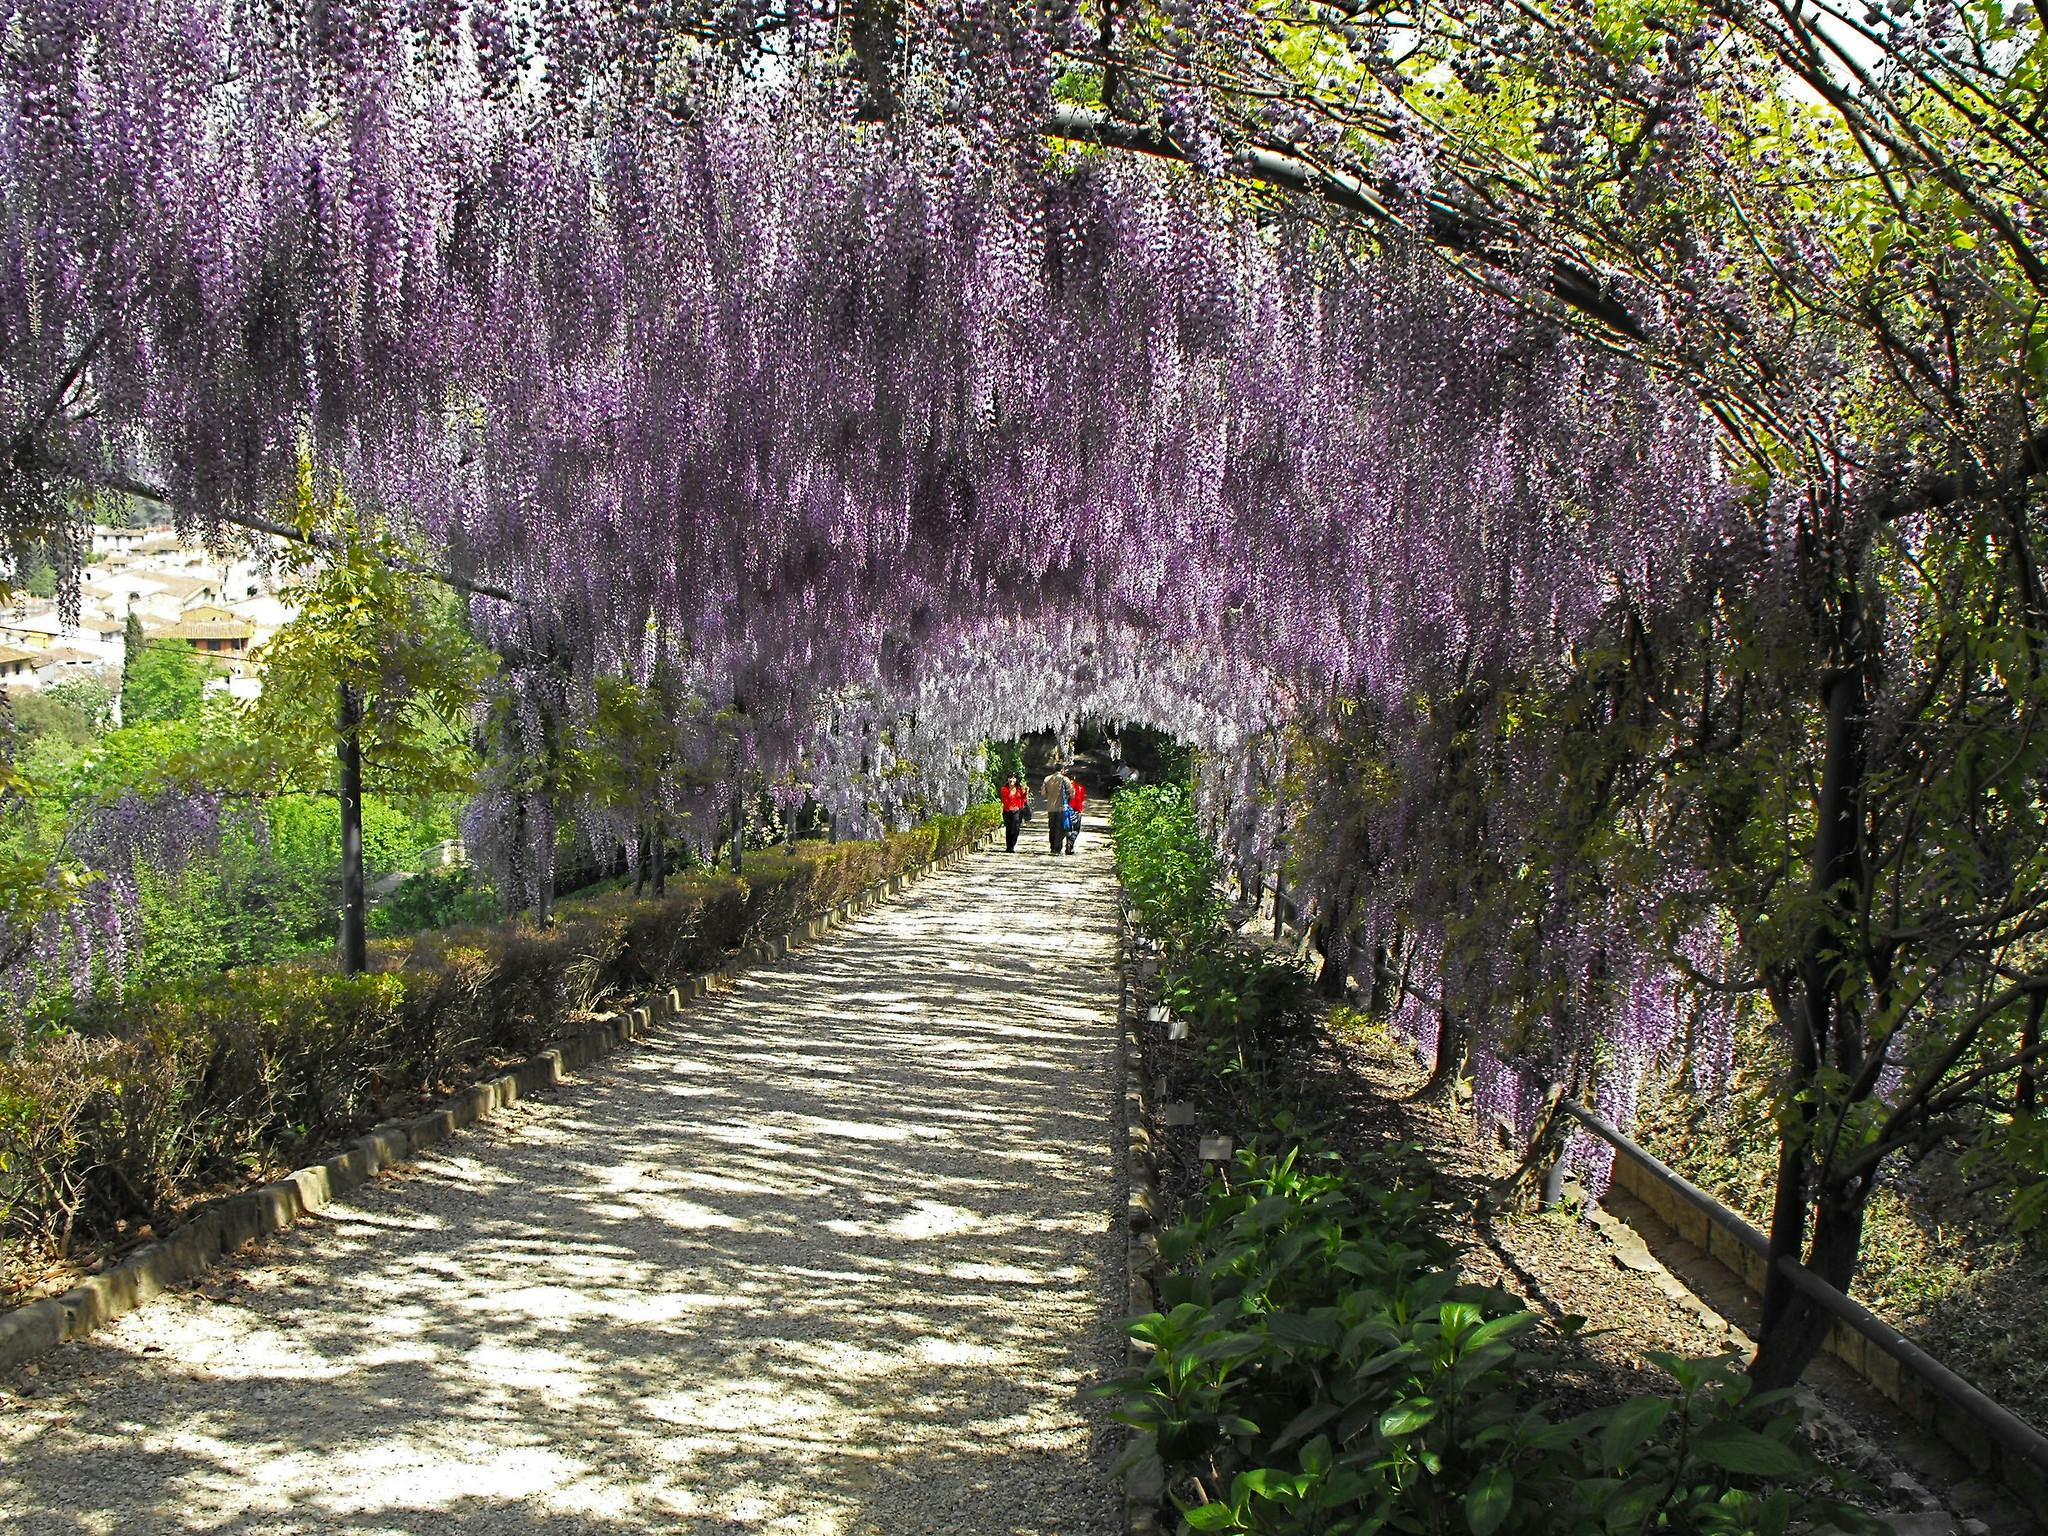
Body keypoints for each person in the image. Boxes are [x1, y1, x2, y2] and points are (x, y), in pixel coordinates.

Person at [1040, 764, 1073, 855]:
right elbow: (1071, 793)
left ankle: (1052, 847)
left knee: (1052, 828)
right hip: (1061, 808)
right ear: (1062, 769)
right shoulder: (1064, 779)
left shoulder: (1047, 779)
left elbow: (1043, 793)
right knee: (1060, 828)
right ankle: (1057, 849)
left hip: (1050, 808)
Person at [998, 773, 1029, 852]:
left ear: (1016, 780)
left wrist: (1026, 792)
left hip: (1017, 811)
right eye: (1010, 778)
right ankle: (1009, 847)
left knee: (1015, 829)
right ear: (1007, 779)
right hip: (1007, 811)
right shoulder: (1004, 789)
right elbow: (1004, 799)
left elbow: (1023, 798)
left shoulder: (1019, 788)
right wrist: (1010, 807)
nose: (1012, 780)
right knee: (1009, 829)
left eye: (1013, 778)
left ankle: (1012, 845)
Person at [1065, 775, 1086, 854]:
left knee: (1068, 828)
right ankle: (1071, 843)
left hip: (1067, 810)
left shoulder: (1064, 788)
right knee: (1076, 829)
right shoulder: (1080, 787)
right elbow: (1082, 799)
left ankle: (1069, 843)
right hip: (1077, 811)